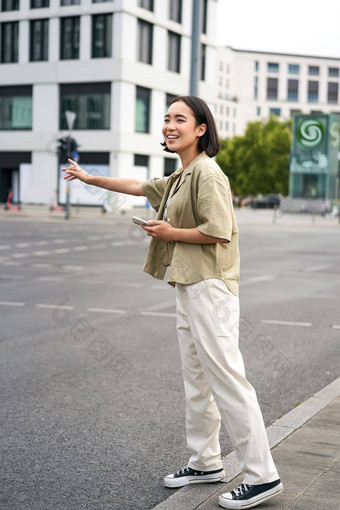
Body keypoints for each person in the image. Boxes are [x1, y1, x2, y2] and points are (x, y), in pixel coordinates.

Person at [62, 95, 283, 509]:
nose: (169, 124)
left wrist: (170, 234)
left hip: (210, 287)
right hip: (187, 285)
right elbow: (138, 187)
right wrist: (92, 179)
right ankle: (205, 461)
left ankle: (262, 475)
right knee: (197, 382)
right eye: (166, 118)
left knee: (228, 381)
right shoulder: (181, 175)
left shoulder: (207, 174)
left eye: (179, 118)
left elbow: (218, 231)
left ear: (201, 129)